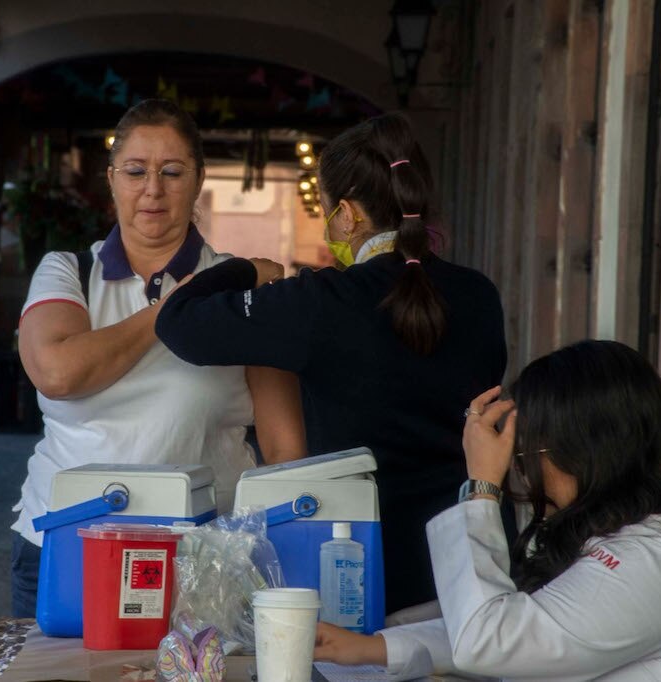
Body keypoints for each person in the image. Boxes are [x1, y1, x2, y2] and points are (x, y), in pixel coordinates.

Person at [155, 112, 508, 616]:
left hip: (359, 568)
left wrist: (241, 269)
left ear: (346, 214)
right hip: (468, 562)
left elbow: (179, 322)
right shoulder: (478, 295)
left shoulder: (323, 302)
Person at [10, 99, 304, 618]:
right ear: (111, 178)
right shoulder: (68, 271)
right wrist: (182, 302)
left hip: (204, 557)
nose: (153, 189)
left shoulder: (245, 292)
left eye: (171, 172)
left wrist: (283, 565)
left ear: (198, 180)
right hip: (68, 545)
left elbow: (284, 446)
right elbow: (57, 373)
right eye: (136, 171)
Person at [314, 340, 661, 680]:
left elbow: (494, 643)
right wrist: (374, 649)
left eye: (532, 451)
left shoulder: (657, 558)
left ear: (588, 450)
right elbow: (534, 626)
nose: (525, 469)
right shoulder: (642, 534)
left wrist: (482, 486)